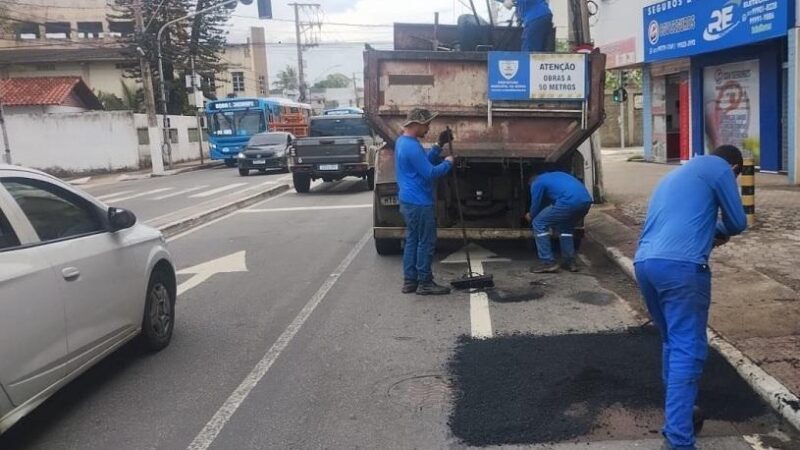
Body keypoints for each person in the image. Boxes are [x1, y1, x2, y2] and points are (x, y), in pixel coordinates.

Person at [635, 145, 748, 450]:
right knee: (689, 349)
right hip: (682, 269)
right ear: (735, 168)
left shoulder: (677, 174)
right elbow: (738, 222)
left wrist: (707, 231)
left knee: (673, 341)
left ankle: (681, 417)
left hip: (645, 264)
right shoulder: (720, 169)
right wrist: (719, 229)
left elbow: (681, 221)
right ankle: (679, 441)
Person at [396, 108, 455, 296]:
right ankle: (425, 282)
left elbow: (423, 164)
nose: (428, 128)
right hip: (419, 201)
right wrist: (448, 163)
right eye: (426, 124)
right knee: (426, 242)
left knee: (412, 240)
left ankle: (410, 281)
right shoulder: (412, 146)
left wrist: (438, 145)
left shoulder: (403, 142)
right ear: (416, 124)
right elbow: (430, 172)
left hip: (408, 200)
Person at [525, 171, 592, 273]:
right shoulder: (556, 175)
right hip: (585, 201)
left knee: (539, 223)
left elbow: (536, 204)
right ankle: (570, 262)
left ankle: (547, 262)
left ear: (530, 182)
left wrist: (530, 215)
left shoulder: (536, 183)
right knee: (565, 228)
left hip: (568, 202)